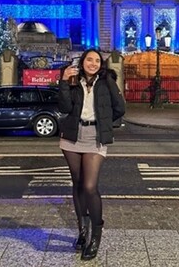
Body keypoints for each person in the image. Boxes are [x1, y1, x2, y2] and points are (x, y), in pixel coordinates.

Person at [58, 48, 126, 260]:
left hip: (94, 136)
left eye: (97, 61)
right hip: (71, 136)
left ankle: (96, 236)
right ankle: (82, 231)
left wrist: (104, 123)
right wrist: (63, 82)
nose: (93, 63)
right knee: (77, 184)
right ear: (82, 61)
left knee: (89, 186)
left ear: (101, 64)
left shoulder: (106, 81)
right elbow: (64, 107)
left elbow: (120, 107)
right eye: (89, 59)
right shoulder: (73, 80)